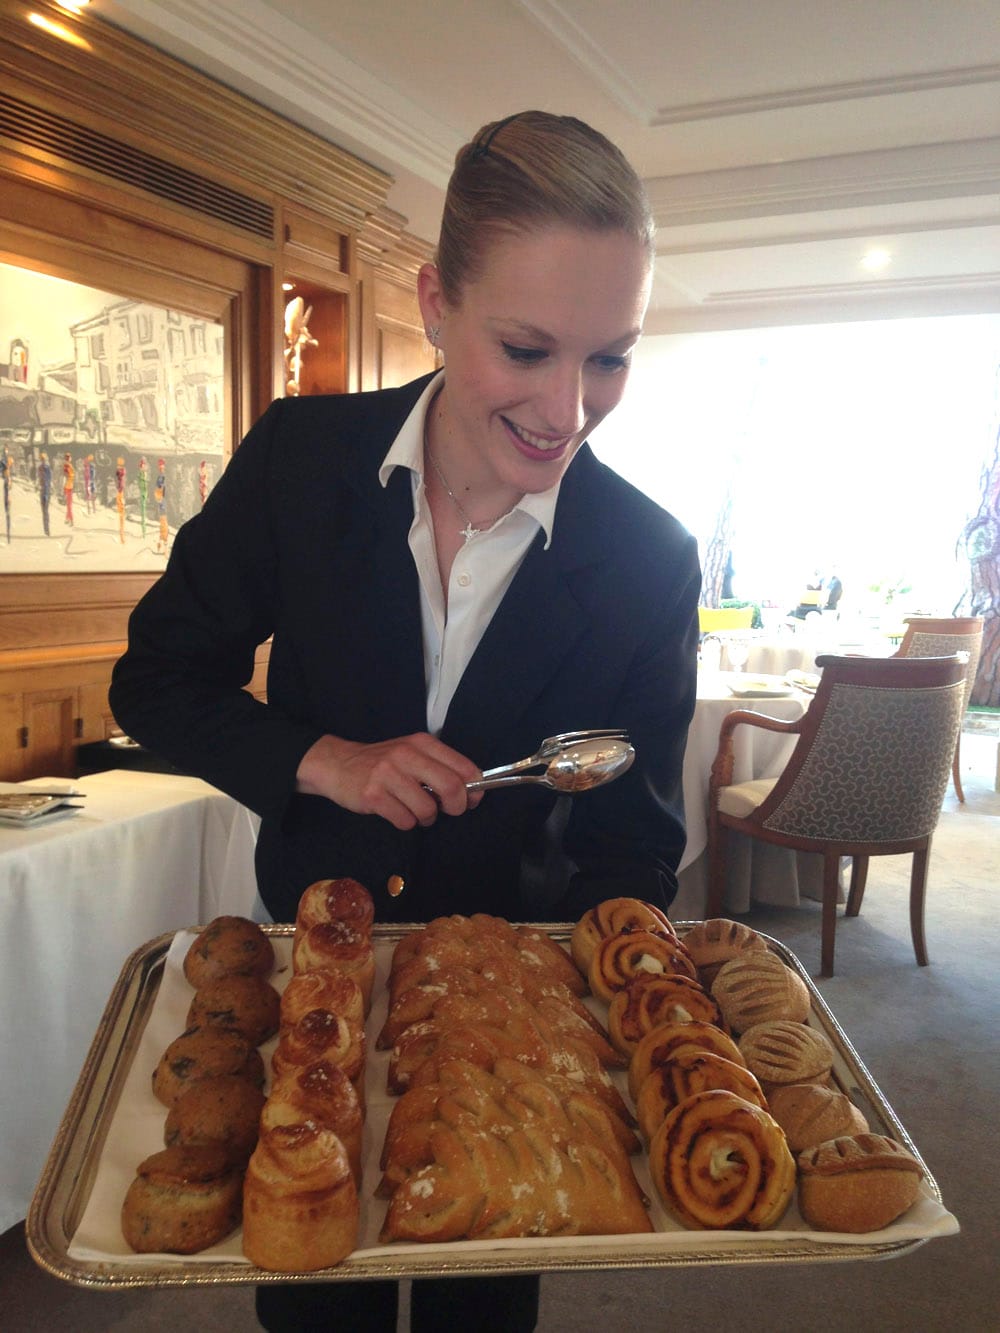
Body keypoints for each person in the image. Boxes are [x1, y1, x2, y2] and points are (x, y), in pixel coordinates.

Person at [110, 110, 700, 1333]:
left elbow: (633, 833)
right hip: (318, 989)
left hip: (514, 1039)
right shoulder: (299, 460)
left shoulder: (648, 559)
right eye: (527, 348)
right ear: (435, 302)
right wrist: (321, 759)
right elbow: (156, 679)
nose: (569, 409)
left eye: (611, 358)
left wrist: (641, 1010)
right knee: (310, 1290)